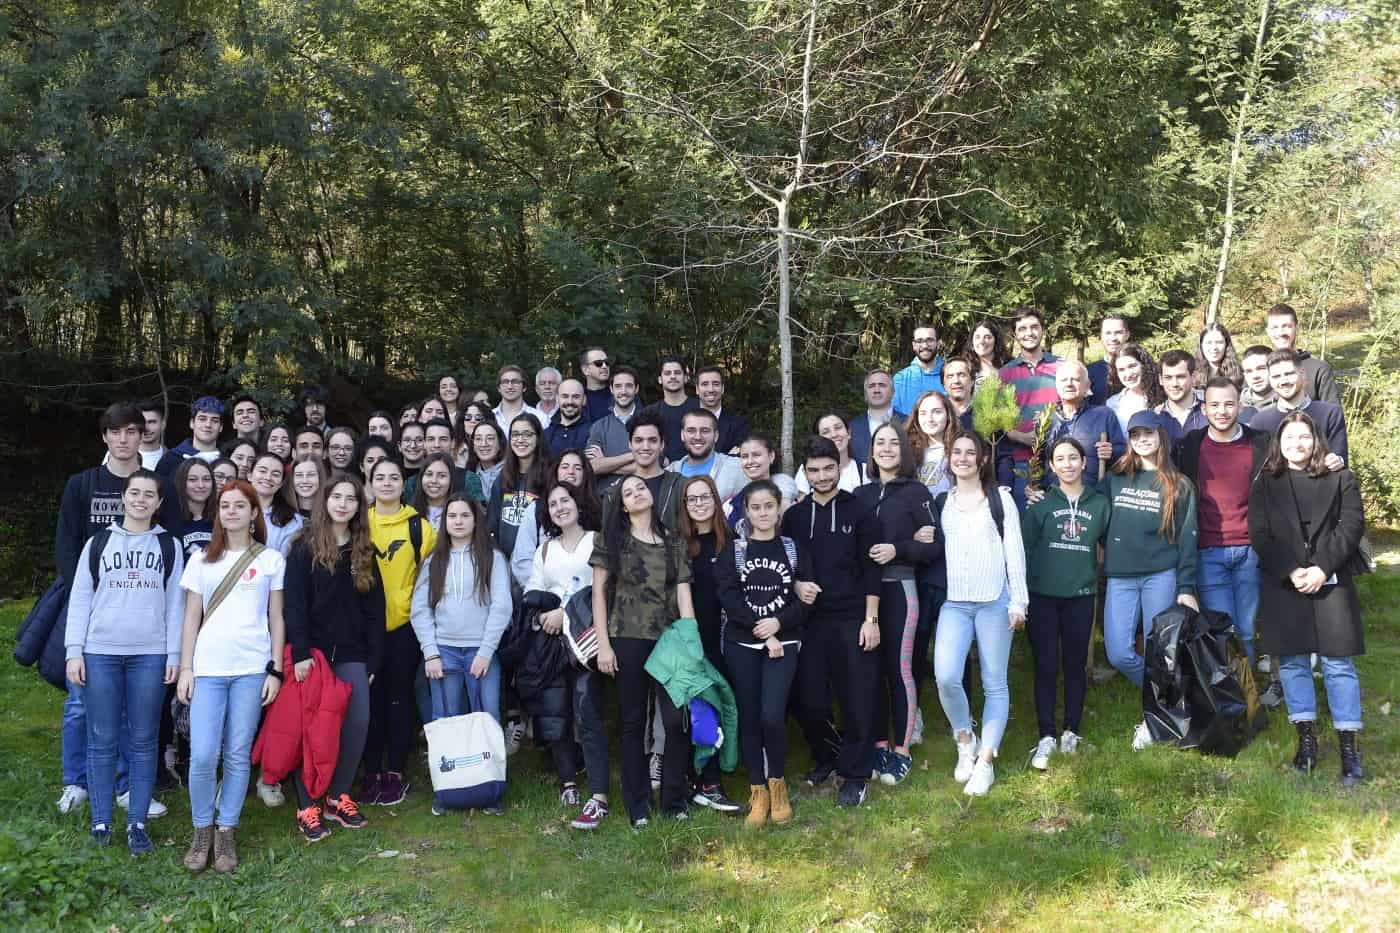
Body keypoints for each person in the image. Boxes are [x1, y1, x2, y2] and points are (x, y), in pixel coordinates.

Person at [64, 469, 184, 853]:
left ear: (159, 503)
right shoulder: (98, 543)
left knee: (144, 738)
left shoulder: (170, 546)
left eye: (149, 494)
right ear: (124, 497)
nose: (141, 500)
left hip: (149, 654)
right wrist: (73, 651)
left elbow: (176, 606)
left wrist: (175, 655)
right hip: (100, 652)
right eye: (135, 493)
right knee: (102, 738)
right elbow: (81, 598)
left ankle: (136, 823)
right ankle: (101, 821)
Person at [1248, 412, 1367, 785]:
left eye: (1304, 437)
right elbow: (1260, 531)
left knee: (1338, 664)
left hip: (1331, 578)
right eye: (1289, 438)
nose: (1296, 444)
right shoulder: (1266, 481)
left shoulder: (1341, 477)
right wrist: (1292, 570)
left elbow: (1351, 526)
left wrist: (1321, 568)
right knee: (1294, 663)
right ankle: (1307, 740)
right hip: (1285, 580)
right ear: (1278, 444)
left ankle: (1349, 745)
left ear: (1316, 440)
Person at [175, 480, 285, 873]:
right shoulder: (200, 561)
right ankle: (201, 828)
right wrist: (186, 667)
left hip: (251, 669)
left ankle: (226, 830)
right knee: (203, 753)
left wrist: (275, 668)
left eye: (241, 506)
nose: (232, 512)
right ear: (218, 512)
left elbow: (276, 617)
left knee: (238, 754)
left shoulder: (270, 560)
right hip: (208, 668)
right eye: (225, 506)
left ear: (254, 513)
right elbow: (190, 618)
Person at [53, 403, 149, 817]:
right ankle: (75, 782)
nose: (124, 439)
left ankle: (126, 785)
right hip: (92, 612)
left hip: (139, 613)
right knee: (79, 702)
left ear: (141, 435)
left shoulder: (154, 484)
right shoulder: (82, 484)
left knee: (129, 706)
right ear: (105, 437)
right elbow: (66, 546)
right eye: (116, 432)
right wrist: (83, 604)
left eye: (132, 431)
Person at [589, 475, 696, 828]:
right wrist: (603, 645)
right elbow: (599, 595)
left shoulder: (674, 540)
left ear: (651, 495)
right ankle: (638, 806)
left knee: (676, 721)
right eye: (628, 492)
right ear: (621, 504)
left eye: (640, 488)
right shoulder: (612, 540)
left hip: (669, 640)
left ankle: (674, 800)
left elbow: (683, 593)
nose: (636, 494)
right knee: (633, 722)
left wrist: (690, 639)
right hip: (626, 638)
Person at [284, 472, 385, 843]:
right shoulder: (303, 547)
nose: (343, 503)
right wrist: (299, 652)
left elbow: (376, 610)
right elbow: (293, 606)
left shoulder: (363, 551)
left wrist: (373, 661)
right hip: (313, 656)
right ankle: (307, 803)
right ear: (325, 501)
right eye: (337, 497)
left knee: (358, 722)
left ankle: (337, 795)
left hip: (354, 654)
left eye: (351, 499)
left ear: (359, 507)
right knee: (312, 732)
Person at [782, 436, 881, 808]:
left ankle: (855, 773)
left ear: (838, 467)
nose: (822, 476)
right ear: (805, 473)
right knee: (810, 701)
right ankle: (826, 757)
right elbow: (783, 565)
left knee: (856, 698)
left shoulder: (859, 511)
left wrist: (871, 620)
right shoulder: (793, 517)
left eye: (828, 468)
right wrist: (796, 584)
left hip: (853, 616)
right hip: (809, 621)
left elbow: (873, 570)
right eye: (814, 470)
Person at [933, 431, 1028, 796]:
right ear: (949, 458)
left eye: (970, 453)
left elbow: (1014, 554)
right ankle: (964, 740)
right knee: (945, 676)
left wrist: (1018, 602)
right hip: (955, 603)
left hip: (995, 602)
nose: (963, 458)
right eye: (956, 452)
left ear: (982, 459)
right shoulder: (942, 501)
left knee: (995, 683)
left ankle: (985, 762)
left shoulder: (1000, 501)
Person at [715, 480, 811, 827]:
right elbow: (728, 597)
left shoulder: (792, 548)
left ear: (779, 507)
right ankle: (758, 790)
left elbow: (806, 599)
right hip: (743, 642)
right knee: (751, 716)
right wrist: (762, 627)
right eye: (756, 508)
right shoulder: (735, 550)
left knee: (772, 714)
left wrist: (778, 626)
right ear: (747, 511)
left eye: (769, 506)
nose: (763, 513)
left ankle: (778, 784)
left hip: (784, 641)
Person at [1103, 411, 1199, 750]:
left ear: (1160, 436)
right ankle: (1169, 698)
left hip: (1161, 574)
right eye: (1136, 435)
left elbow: (1188, 538)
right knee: (1117, 652)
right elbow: (1095, 515)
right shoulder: (1115, 478)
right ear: (1129, 440)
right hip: (1121, 575)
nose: (1143, 440)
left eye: (1149, 434)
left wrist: (1186, 587)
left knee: (1161, 652)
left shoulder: (1179, 484)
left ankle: (1153, 718)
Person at [854, 422, 938, 786]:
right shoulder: (859, 494)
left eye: (893, 443)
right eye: (879, 443)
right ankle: (878, 745)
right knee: (869, 673)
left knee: (899, 670)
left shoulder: (917, 492)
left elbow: (935, 546)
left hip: (901, 590)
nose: (886, 448)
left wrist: (900, 548)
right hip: (863, 595)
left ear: (904, 450)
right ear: (871, 452)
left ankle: (901, 751)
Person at [1022, 437, 1110, 772]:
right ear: (1052, 466)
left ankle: (1072, 730)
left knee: (1075, 665)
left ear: (1084, 463)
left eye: (1074, 458)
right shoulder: (1041, 505)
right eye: (1061, 459)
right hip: (1043, 596)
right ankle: (1046, 734)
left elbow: (1111, 541)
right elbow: (1026, 551)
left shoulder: (1100, 504)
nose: (1068, 464)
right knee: (1045, 665)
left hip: (1081, 596)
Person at [522, 481, 610, 813]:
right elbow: (533, 589)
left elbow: (603, 589)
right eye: (554, 503)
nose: (560, 507)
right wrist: (548, 613)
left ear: (578, 503)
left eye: (566, 500)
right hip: (552, 644)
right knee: (556, 713)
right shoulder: (545, 550)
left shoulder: (596, 541)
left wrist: (565, 611)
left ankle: (599, 791)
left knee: (587, 712)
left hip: (587, 641)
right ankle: (568, 782)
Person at [362, 457, 436, 808]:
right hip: (365, 628)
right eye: (381, 477)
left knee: (399, 698)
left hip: (405, 626)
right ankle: (371, 769)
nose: (388, 482)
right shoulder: (360, 522)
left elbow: (430, 576)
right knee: (369, 700)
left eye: (394, 477)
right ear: (370, 481)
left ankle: (395, 770)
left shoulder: (419, 527)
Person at [411, 495, 511, 737]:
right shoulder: (434, 561)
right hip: (443, 651)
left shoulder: (492, 558)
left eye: (465, 515)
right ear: (444, 521)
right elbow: (420, 609)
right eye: (452, 516)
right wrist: (430, 652)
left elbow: (502, 606)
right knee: (445, 717)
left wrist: (486, 652)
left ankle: (489, 774)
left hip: (480, 650)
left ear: (476, 520)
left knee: (487, 716)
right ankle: (449, 773)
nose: (458, 521)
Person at [675, 475, 743, 813]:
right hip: (690, 641)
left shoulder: (732, 542)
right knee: (699, 714)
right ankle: (701, 782)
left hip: (727, 640)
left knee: (722, 709)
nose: (699, 504)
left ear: (716, 501)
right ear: (684, 506)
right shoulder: (679, 546)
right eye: (692, 499)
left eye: (705, 498)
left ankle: (713, 781)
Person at [998, 308, 1061, 510]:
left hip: (1059, 461)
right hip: (1022, 464)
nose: (1029, 333)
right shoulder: (1005, 374)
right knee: (1026, 523)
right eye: (1022, 328)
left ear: (1043, 330)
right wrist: (1021, 437)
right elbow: (1001, 422)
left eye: (1034, 327)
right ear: (1015, 334)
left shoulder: (1062, 367)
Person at [1250, 349, 1349, 462]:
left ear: (1302, 374)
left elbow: (1340, 458)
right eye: (1276, 376)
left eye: (1288, 374)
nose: (1283, 381)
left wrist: (1337, 461)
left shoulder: (1330, 414)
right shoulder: (1260, 422)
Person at [488, 413, 550, 585]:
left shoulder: (549, 476)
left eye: (527, 434)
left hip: (537, 567)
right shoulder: (503, 478)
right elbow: (492, 525)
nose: (520, 439)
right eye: (515, 434)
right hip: (504, 566)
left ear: (538, 438)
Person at [1043, 360, 1124, 489]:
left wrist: (1112, 452)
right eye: (1064, 380)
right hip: (1054, 498)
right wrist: (1034, 487)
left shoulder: (1104, 415)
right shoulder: (1046, 420)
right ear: (1057, 386)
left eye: (1075, 379)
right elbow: (1038, 462)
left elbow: (1123, 455)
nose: (1069, 384)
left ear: (1087, 386)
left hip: (1093, 499)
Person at [615, 408, 685, 531]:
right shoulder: (616, 491)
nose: (645, 447)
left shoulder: (680, 486)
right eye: (639, 440)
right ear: (630, 444)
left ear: (662, 445)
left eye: (652, 440)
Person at [1265, 303, 1341, 405]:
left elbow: (1334, 416)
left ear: (1297, 329)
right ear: (1268, 332)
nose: (1280, 333)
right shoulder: (1260, 371)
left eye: (1286, 326)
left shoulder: (1318, 369)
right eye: (1274, 328)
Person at [669, 408, 745, 504]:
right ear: (682, 435)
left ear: (716, 436)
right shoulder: (670, 473)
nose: (698, 437)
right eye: (691, 431)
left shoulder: (737, 468)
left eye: (705, 431)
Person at [585, 365, 641, 493]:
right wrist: (634, 455)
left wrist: (605, 463)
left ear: (636, 389)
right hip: (606, 498)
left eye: (629, 386)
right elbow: (592, 466)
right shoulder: (599, 426)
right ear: (611, 389)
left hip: (641, 495)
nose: (623, 391)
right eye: (618, 386)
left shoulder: (649, 422)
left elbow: (656, 463)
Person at [728, 434, 797, 527]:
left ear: (771, 456)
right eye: (744, 456)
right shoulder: (737, 501)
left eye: (756, 455)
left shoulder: (784, 492)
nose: (750, 461)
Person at [794, 412, 865, 496]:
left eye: (838, 428)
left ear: (848, 433)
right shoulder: (807, 469)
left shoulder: (864, 470)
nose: (834, 435)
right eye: (826, 432)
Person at [646, 355, 700, 463]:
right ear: (660, 379)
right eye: (667, 373)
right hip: (662, 471)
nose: (673, 377)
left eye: (677, 372)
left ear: (686, 378)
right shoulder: (649, 412)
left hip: (697, 470)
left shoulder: (700, 408)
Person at [906, 390, 961, 496]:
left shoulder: (960, 449)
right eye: (923, 413)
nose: (930, 419)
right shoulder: (907, 451)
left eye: (937, 412)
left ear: (948, 414)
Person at [249, 453, 305, 556]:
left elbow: (285, 561)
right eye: (262, 471)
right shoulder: (234, 509)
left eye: (275, 474)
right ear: (250, 475)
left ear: (281, 483)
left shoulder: (291, 520)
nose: (268, 477)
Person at [1105, 344, 1163, 436]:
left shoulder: (1163, 395)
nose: (1128, 374)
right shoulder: (1112, 404)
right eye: (1121, 370)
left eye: (1132, 366)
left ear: (1144, 365)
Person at [848, 369, 901, 466]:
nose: (876, 390)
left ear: (893, 392)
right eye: (871, 386)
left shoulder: (908, 423)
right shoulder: (851, 428)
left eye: (882, 385)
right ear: (865, 395)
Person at [893, 324, 947, 416]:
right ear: (914, 345)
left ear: (938, 344)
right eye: (919, 341)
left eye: (929, 340)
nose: (925, 345)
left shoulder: (950, 375)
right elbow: (893, 416)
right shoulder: (900, 379)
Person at [1156, 350, 1208, 444]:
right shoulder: (1154, 418)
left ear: (1193, 377)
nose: (1174, 384)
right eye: (1168, 377)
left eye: (1180, 377)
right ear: (1160, 380)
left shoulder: (1209, 415)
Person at [696, 365, 749, 454]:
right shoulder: (684, 421)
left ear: (723, 388)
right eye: (705, 384)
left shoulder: (738, 425)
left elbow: (739, 459)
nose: (711, 389)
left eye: (716, 384)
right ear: (697, 389)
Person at [173, 458, 216, 559]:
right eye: (192, 479)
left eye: (206, 479)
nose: (201, 485)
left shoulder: (222, 519)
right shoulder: (171, 521)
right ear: (182, 482)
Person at [165, 396, 225, 465]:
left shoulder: (231, 456)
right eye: (202, 419)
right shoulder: (171, 458)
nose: (208, 425)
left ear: (221, 427)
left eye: (215, 420)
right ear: (192, 423)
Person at [1087, 314, 1130, 406]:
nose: (1113, 338)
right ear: (1101, 336)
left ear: (1127, 335)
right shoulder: (1088, 372)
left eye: (1118, 332)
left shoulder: (1141, 370)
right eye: (1108, 333)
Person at [544, 379, 592, 459]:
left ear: (584, 400)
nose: (570, 402)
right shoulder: (545, 434)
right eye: (565, 396)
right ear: (557, 399)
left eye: (576, 397)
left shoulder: (594, 432)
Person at [410, 453, 457, 528]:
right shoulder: (409, 512)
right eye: (429, 474)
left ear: (451, 479)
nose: (434, 480)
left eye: (442, 476)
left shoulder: (460, 515)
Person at [493, 365, 545, 432]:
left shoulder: (541, 418)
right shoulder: (488, 417)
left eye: (515, 382)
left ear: (524, 387)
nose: (510, 386)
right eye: (505, 382)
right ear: (499, 388)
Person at [1194, 323, 1244, 392]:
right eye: (1209, 343)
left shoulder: (1240, 373)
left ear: (1226, 345)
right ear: (1201, 345)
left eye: (1219, 342)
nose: (1214, 347)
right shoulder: (1191, 374)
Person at [468, 419, 506, 500]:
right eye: (478, 439)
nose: (484, 444)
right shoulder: (469, 474)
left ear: (500, 443)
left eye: (490, 438)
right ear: (473, 445)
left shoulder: (511, 472)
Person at [968, 319, 1009, 387]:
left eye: (987, 337)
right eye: (977, 337)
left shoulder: (1009, 368)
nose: (981, 341)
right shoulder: (966, 369)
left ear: (996, 341)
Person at [579, 346, 614, 422]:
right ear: (585, 370)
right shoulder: (576, 398)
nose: (604, 366)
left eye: (607, 362)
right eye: (598, 363)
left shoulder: (619, 394)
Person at [941, 355, 976, 428]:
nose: (956, 381)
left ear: (972, 381)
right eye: (950, 376)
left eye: (962, 375)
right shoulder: (938, 413)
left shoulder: (986, 414)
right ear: (944, 384)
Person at [1240, 344, 1276, 412]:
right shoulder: (1234, 408)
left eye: (1261, 368)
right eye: (1249, 371)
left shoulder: (1289, 404)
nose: (1255, 376)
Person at [136, 401, 170, 471]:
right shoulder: (117, 456)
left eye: (151, 422)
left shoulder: (173, 459)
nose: (146, 428)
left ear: (163, 424)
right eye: (142, 422)